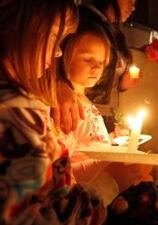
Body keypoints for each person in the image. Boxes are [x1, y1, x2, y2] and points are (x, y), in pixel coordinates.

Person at [0, 1, 106, 224]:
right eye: (53, 37)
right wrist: (106, 190)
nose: (58, 52)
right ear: (11, 22)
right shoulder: (5, 118)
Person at [59, 5, 152, 207]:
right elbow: (62, 169)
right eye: (88, 59)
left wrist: (114, 142)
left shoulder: (85, 102)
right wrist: (110, 167)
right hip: (78, 204)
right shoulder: (66, 108)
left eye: (102, 62)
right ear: (63, 53)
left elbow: (85, 146)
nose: (96, 67)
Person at [54, 0, 140, 134]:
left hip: (98, 111)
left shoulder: (114, 33)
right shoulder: (82, 19)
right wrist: (60, 85)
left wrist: (122, 84)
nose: (133, 7)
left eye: (102, 63)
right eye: (130, 0)